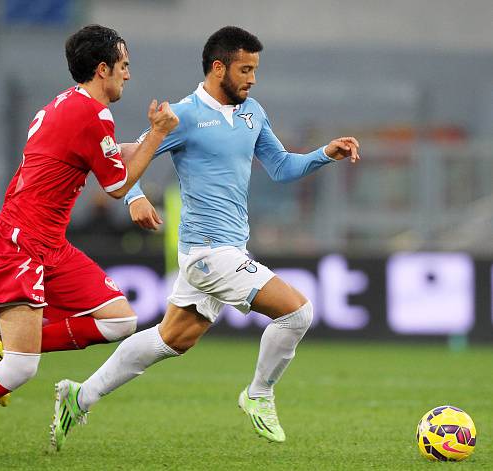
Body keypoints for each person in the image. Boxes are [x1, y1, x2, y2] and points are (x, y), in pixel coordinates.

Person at [49, 25, 360, 449]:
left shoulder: (253, 113)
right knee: (297, 313)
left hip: (229, 248)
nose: (252, 79)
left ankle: (79, 396)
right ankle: (259, 395)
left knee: (171, 339)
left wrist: (325, 154)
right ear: (218, 68)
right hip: (208, 252)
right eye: (245, 70)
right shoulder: (184, 115)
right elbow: (122, 157)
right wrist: (135, 198)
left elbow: (282, 167)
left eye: (255, 70)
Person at [0, 24, 178, 462]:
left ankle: (3, 347)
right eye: (124, 66)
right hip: (19, 242)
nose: (128, 75)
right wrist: (159, 135)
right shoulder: (92, 114)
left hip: (49, 243)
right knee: (22, 367)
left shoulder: (69, 103)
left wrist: (155, 138)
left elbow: (111, 156)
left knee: (120, 320)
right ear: (103, 69)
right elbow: (116, 186)